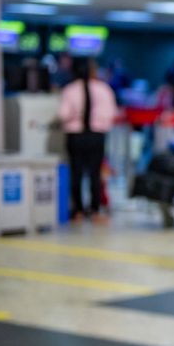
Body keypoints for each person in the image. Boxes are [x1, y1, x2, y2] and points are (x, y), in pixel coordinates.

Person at [57, 57, 118, 223]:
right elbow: (112, 113)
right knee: (95, 173)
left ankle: (78, 211)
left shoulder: (70, 90)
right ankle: (95, 210)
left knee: (76, 172)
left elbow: (63, 114)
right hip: (96, 136)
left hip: (75, 136)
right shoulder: (104, 89)